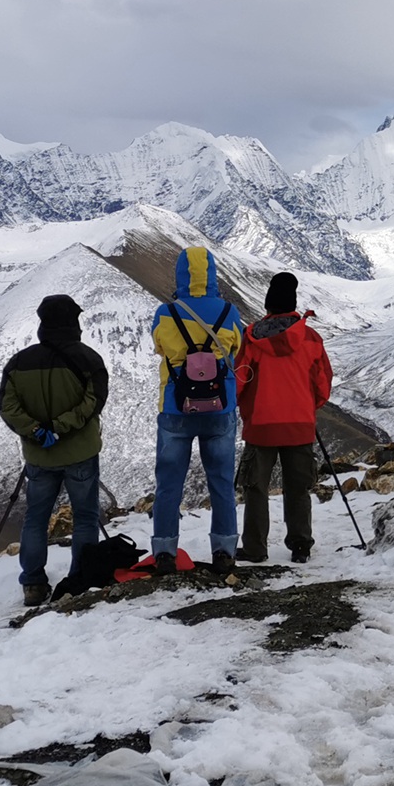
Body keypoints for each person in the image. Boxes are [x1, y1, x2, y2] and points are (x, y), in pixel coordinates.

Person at [0, 293, 111, 607]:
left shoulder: (19, 363)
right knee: (86, 518)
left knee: (36, 518)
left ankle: (33, 584)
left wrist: (36, 430)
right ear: (73, 322)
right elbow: (94, 402)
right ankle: (81, 577)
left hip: (39, 456)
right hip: (80, 453)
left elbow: (8, 406)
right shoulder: (89, 360)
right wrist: (62, 425)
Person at [150, 245, 245, 577]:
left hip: (176, 408)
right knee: (220, 481)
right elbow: (237, 347)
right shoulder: (230, 312)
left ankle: (164, 552)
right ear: (214, 274)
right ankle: (224, 551)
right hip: (220, 408)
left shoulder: (166, 312)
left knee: (168, 484)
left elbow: (159, 346)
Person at [235, 272, 333, 563]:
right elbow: (323, 383)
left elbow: (239, 380)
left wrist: (246, 408)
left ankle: (255, 548)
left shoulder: (252, 338)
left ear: (267, 305)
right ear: (293, 304)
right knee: (297, 488)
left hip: (261, 426)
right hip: (300, 425)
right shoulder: (311, 339)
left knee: (256, 489)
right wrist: (307, 406)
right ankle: (301, 545)